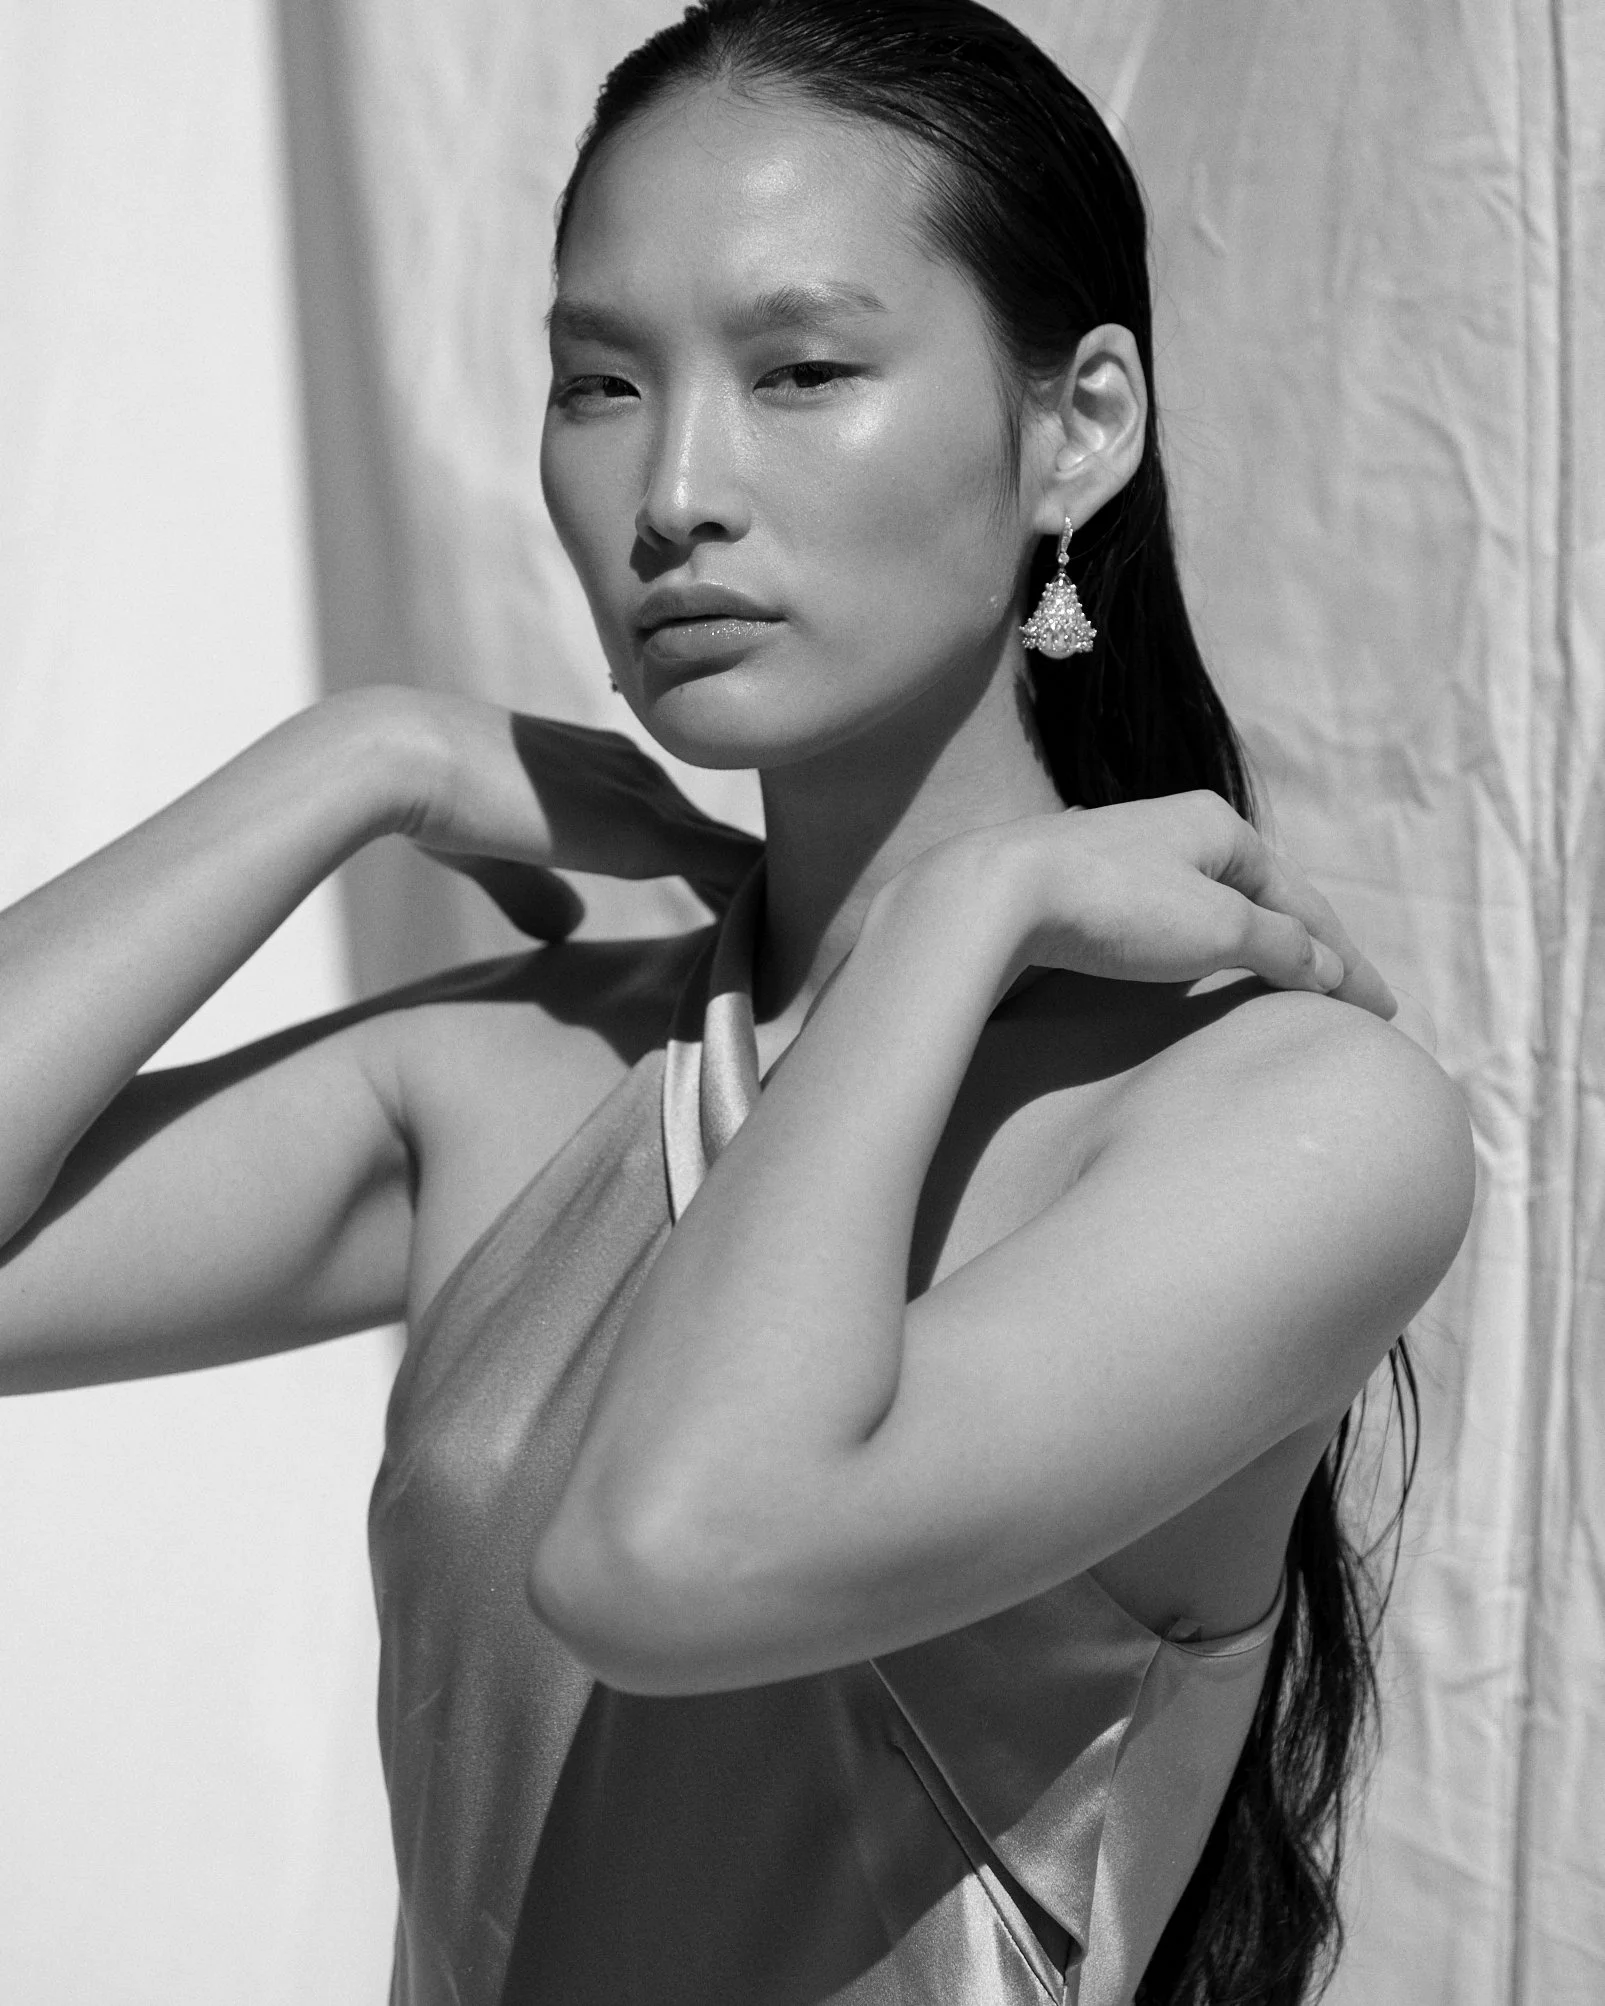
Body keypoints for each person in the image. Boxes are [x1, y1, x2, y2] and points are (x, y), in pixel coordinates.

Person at [0, 2, 1475, 2001]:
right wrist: (355, 761)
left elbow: (672, 1553)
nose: (672, 486)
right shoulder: (528, 1071)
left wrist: (958, 918)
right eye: (598, 381)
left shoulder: (1286, 1122)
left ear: (1083, 425)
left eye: (800, 370)